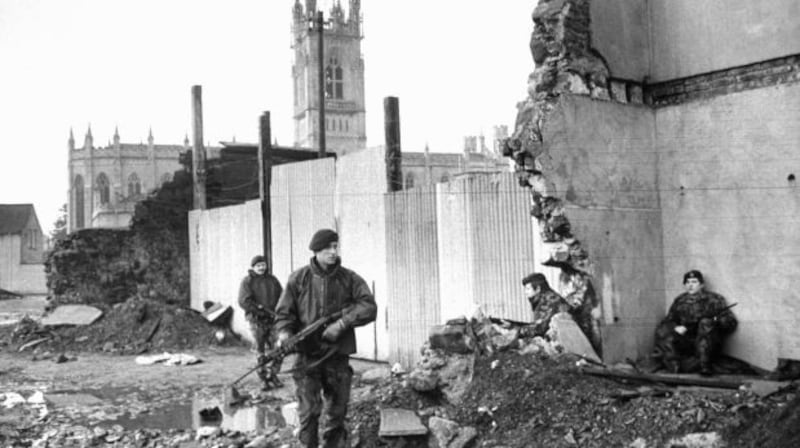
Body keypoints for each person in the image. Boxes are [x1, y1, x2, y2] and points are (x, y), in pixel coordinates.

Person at [275, 229, 377, 448]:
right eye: (327, 248)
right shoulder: (298, 279)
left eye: (335, 246)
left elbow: (368, 307)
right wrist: (285, 336)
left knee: (337, 414)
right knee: (309, 414)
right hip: (307, 358)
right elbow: (284, 314)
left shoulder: (349, 278)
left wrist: (342, 323)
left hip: (337, 356)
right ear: (316, 251)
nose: (333, 252)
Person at [654, 270, 737, 375]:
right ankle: (674, 367)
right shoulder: (680, 300)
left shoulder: (714, 299)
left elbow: (731, 323)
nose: (690, 285)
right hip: (688, 341)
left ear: (702, 284)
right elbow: (668, 321)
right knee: (663, 331)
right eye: (687, 282)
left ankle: (704, 366)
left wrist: (715, 321)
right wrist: (676, 327)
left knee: (705, 323)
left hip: (709, 343)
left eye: (694, 282)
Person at [238, 255, 284, 390]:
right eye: (258, 265)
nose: (261, 267)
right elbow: (244, 301)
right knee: (260, 351)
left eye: (263, 265)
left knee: (279, 349)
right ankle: (263, 378)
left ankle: (273, 375)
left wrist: (279, 313)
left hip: (273, 321)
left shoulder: (273, 280)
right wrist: (260, 312)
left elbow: (282, 297)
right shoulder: (247, 282)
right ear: (253, 267)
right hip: (256, 321)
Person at [522, 273, 568, 337]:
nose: (525, 292)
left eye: (528, 289)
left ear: (538, 289)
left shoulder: (550, 300)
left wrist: (518, 330)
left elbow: (541, 328)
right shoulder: (542, 299)